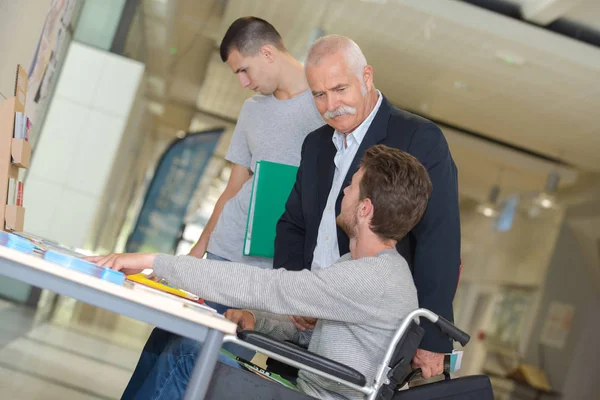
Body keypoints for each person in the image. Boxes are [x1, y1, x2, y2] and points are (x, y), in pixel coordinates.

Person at [88, 144, 433, 400]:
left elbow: (270, 286)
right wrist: (258, 320)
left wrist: (154, 262)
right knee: (187, 349)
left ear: (364, 208)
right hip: (307, 387)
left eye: (352, 185)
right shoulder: (366, 268)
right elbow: (314, 337)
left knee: (188, 356)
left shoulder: (372, 278)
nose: (344, 190)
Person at [117, 16, 324, 399]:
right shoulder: (252, 110)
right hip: (223, 251)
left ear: (267, 52)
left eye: (244, 70)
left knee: (201, 364)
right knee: (162, 346)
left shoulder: (322, 109)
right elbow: (233, 187)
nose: (243, 83)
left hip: (263, 275)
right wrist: (197, 253)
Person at [274, 35, 461, 379]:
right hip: (303, 323)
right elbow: (293, 225)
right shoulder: (315, 145)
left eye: (340, 89)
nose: (332, 104)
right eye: (319, 94)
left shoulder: (418, 138)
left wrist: (433, 337)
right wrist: (293, 293)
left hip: (364, 338)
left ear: (367, 77)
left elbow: (440, 240)